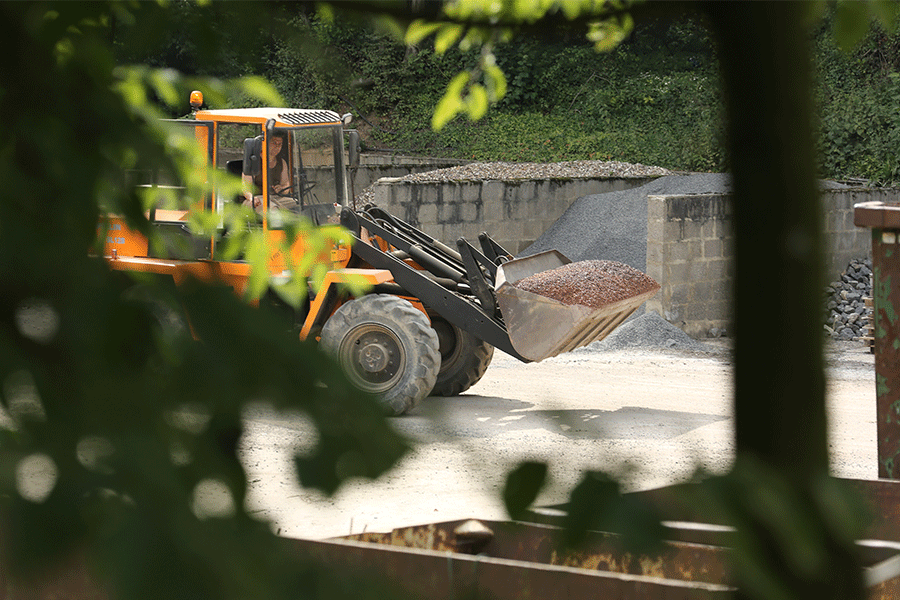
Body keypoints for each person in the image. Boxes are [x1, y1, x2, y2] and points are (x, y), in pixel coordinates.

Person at [243, 132, 292, 212]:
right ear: (265, 143)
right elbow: (245, 188)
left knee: (302, 206)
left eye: (280, 144)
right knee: (272, 210)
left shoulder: (282, 162)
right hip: (255, 199)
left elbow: (286, 185)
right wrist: (252, 198)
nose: (277, 146)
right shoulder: (254, 160)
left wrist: (281, 189)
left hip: (275, 198)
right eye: (274, 143)